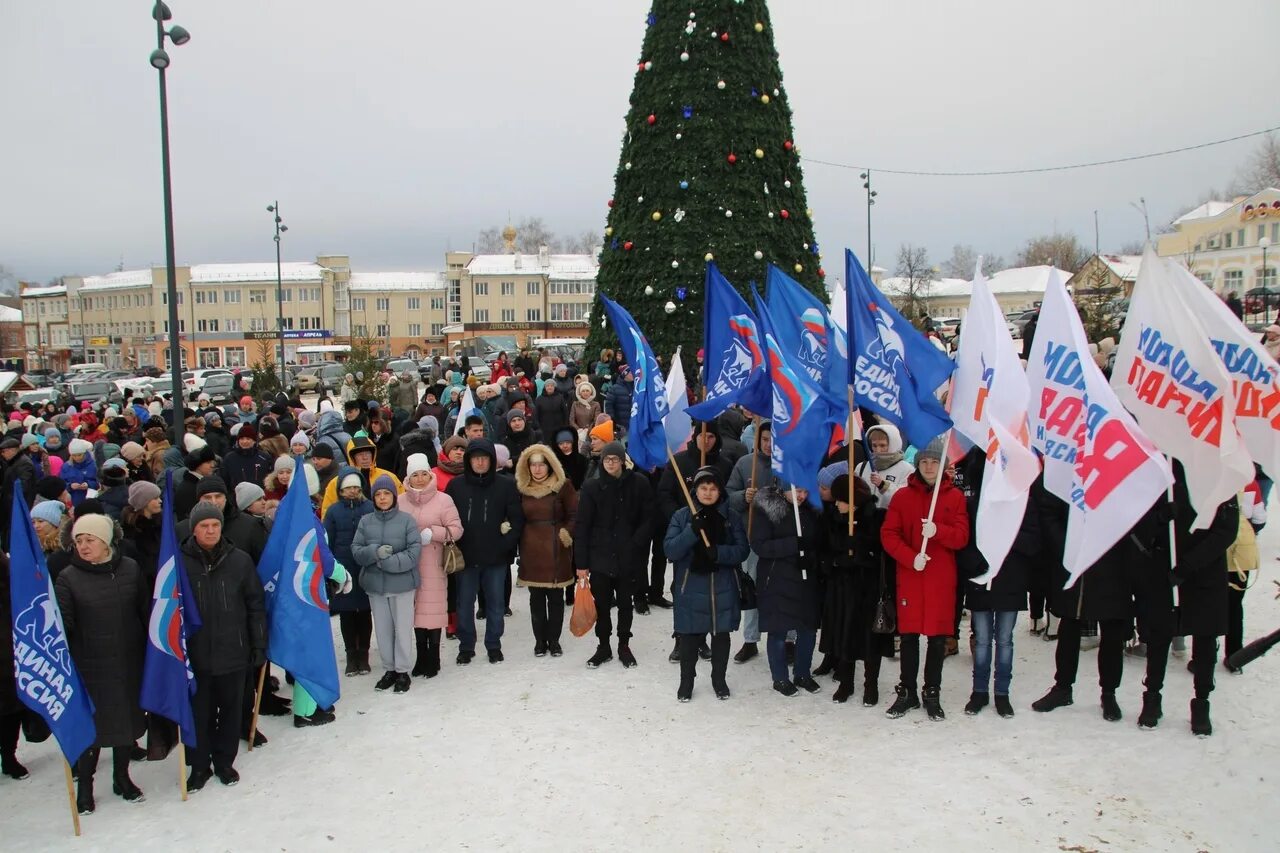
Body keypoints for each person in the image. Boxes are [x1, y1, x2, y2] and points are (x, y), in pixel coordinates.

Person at [55, 513, 150, 813]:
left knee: (126, 723)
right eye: (78, 541)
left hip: (128, 661)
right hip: (90, 667)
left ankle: (122, 778)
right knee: (92, 730)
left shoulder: (130, 569)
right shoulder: (68, 577)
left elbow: (145, 611)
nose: (83, 546)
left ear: (106, 541)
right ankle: (85, 786)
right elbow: (63, 625)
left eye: (90, 540)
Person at [880, 437, 970, 720]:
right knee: (908, 637)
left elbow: (962, 537)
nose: (929, 467)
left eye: (934, 462)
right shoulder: (902, 497)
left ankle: (932, 691)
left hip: (940, 579)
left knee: (936, 638)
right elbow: (888, 534)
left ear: (942, 465)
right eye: (924, 462)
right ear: (917, 465)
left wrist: (939, 531)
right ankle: (906, 691)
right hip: (911, 576)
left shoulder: (954, 498)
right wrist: (909, 557)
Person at [179, 501, 267, 790]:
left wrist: (257, 644)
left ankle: (224, 762)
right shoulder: (179, 562)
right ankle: (199, 766)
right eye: (204, 526)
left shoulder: (239, 560)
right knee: (198, 714)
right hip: (196, 655)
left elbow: (255, 604)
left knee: (231, 711)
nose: (211, 530)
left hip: (234, 651)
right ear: (194, 529)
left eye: (215, 525)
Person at [957, 455, 1040, 718]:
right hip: (982, 580)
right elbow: (965, 542)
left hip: (1010, 580)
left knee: (1004, 640)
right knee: (981, 640)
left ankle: (1002, 694)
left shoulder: (1024, 503)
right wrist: (977, 561)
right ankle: (979, 692)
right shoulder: (975, 505)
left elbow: (1034, 540)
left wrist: (1005, 541)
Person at [664, 466, 749, 701]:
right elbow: (670, 549)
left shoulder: (730, 517)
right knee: (690, 638)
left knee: (721, 637)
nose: (708, 493)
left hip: (723, 587)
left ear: (720, 491)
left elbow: (742, 550)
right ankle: (686, 682)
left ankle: (719, 680)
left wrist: (719, 553)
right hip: (690, 587)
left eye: (713, 488)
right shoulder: (682, 516)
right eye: (704, 488)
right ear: (695, 490)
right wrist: (692, 531)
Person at [444, 439, 523, 664]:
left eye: (484, 458)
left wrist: (505, 544)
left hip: (495, 557)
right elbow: (448, 519)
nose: (480, 462)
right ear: (469, 460)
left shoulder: (506, 485)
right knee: (465, 603)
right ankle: (466, 646)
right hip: (466, 556)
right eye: (475, 458)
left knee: (495, 603)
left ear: (491, 460)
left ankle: (493, 644)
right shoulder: (456, 486)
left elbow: (516, 520)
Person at [574, 441, 652, 668]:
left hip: (629, 556)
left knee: (626, 603)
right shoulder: (591, 487)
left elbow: (648, 517)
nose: (610, 463)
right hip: (600, 556)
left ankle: (624, 644)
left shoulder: (639, 483)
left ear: (622, 461)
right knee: (603, 605)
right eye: (607, 459)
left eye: (615, 459)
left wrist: (636, 542)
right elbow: (582, 526)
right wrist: (582, 563)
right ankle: (604, 645)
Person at [820, 474, 894, 706]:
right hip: (841, 587)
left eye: (841, 499)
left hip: (868, 589)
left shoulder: (876, 517)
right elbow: (824, 550)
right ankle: (846, 682)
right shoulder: (832, 518)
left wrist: (862, 553)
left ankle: (870, 684)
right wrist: (836, 561)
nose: (836, 504)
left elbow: (884, 553)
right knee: (844, 633)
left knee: (869, 638)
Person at [751, 484, 824, 698]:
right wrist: (793, 545)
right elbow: (759, 544)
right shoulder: (767, 508)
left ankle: (802, 673)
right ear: (784, 488)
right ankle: (780, 677)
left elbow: (818, 541)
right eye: (796, 490)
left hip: (806, 576)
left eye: (805, 490)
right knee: (779, 628)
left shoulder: (812, 511)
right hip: (777, 578)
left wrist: (811, 555)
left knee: (808, 627)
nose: (801, 495)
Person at [351, 474, 422, 693]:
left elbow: (413, 553)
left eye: (387, 494)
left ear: (394, 496)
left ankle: (402, 671)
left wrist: (386, 561)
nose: (382, 498)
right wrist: (374, 552)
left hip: (401, 584)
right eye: (378, 494)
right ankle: (389, 669)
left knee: (402, 628)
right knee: (383, 630)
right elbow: (356, 550)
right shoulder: (365, 521)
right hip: (375, 585)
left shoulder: (407, 520)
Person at [399, 454, 462, 679]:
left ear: (430, 474)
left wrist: (434, 533)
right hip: (408, 564)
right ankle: (421, 656)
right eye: (415, 475)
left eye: (423, 473)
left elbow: (456, 529)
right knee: (415, 611)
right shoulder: (400, 501)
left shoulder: (443, 500)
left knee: (433, 609)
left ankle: (433, 657)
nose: (419, 478)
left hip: (434, 561)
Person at [724, 421, 780, 663]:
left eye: (773, 440)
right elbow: (727, 496)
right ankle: (750, 640)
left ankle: (787, 638)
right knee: (752, 588)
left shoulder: (788, 464)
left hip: (781, 538)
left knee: (782, 590)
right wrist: (742, 497)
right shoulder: (746, 463)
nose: (769, 445)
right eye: (765, 439)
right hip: (752, 536)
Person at [515, 445, 578, 657]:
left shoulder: (563, 486)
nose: (538, 469)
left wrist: (567, 533)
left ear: (550, 466)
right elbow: (515, 516)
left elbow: (574, 514)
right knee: (536, 597)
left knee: (556, 596)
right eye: (533, 465)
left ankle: (555, 640)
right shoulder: (522, 488)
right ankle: (540, 641)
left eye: (542, 464)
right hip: (531, 546)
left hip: (556, 546)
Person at [323, 468, 376, 676]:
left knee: (364, 612)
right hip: (343, 567)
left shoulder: (370, 507)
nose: (352, 491)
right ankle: (350, 655)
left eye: (355, 487)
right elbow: (328, 539)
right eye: (348, 488)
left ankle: (363, 654)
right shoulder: (334, 511)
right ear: (340, 491)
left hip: (365, 565)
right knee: (346, 614)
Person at [319, 435, 401, 518]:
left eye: (368, 453)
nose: (365, 458)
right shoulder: (338, 482)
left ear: (373, 454)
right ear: (352, 457)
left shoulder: (389, 477)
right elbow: (327, 514)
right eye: (360, 454)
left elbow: (402, 504)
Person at [853, 424, 914, 509]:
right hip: (863, 520)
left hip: (890, 519)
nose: (878, 450)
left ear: (893, 444)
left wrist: (883, 485)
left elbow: (906, 499)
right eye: (874, 445)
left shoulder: (907, 469)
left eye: (882, 445)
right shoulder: (862, 467)